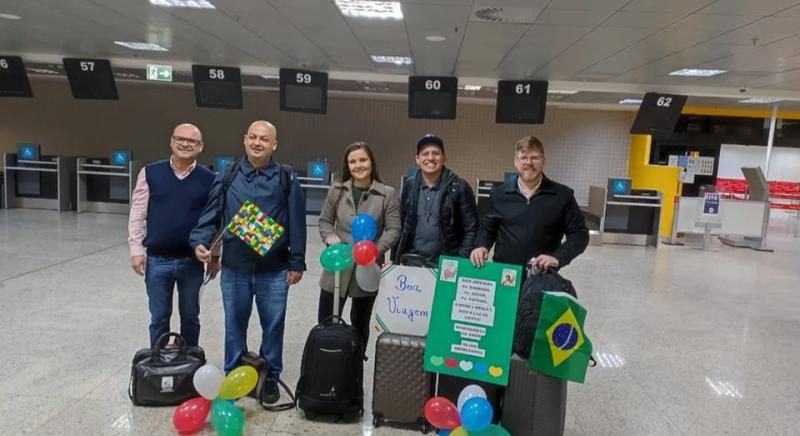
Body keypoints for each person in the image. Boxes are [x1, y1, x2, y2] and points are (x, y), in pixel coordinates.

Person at [190, 120, 306, 404]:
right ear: (244, 140)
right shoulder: (228, 174)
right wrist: (201, 243)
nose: (257, 142)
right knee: (234, 324)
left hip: (274, 270)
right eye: (252, 137)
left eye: (264, 139)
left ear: (274, 144)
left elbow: (297, 222)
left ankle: (270, 376)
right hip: (235, 268)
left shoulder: (287, 178)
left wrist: (296, 262)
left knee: (273, 326)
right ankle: (233, 373)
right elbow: (212, 214)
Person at [128, 123, 217, 348]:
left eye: (192, 141)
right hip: (157, 260)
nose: (185, 144)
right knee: (159, 318)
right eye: (180, 139)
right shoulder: (150, 172)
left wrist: (215, 254)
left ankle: (188, 363)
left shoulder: (209, 179)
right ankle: (157, 363)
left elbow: (214, 220)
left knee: (190, 317)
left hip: (192, 262)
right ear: (171, 141)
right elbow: (137, 213)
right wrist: (136, 250)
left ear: (201, 147)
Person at [318, 141, 400, 349]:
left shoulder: (387, 194)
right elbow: (325, 221)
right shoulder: (336, 190)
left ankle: (354, 369)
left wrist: (375, 250)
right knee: (326, 322)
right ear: (347, 165)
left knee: (360, 324)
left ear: (371, 162)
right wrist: (330, 238)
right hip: (337, 267)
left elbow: (393, 229)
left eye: (362, 159)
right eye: (352, 161)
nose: (358, 165)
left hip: (368, 269)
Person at [470, 136, 589, 270]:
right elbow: (487, 228)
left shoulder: (562, 196)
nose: (529, 162)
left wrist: (558, 258)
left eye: (534, 158)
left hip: (542, 274)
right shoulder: (499, 194)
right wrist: (481, 246)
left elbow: (579, 234)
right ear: (515, 162)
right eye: (524, 158)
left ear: (543, 161)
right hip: (505, 275)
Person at [392, 134, 478, 266]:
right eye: (425, 154)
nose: (430, 158)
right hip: (412, 263)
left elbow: (471, 229)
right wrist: (394, 259)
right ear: (417, 159)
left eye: (436, 153)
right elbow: (402, 225)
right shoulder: (409, 186)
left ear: (444, 158)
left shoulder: (459, 187)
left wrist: (461, 262)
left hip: (446, 267)